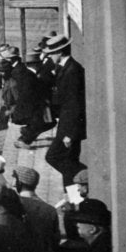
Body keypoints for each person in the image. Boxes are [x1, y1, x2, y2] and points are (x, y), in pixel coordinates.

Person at [42, 34, 87, 186]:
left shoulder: (72, 70)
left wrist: (70, 134)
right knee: (68, 160)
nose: (49, 57)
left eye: (52, 54)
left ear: (60, 52)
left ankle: (88, 176)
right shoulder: (66, 68)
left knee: (53, 157)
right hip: (67, 122)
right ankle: (74, 198)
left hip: (70, 126)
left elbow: (75, 104)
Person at [13, 165, 60, 252]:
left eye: (14, 179)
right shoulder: (50, 210)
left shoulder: (12, 206)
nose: (13, 184)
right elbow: (55, 239)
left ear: (20, 183)